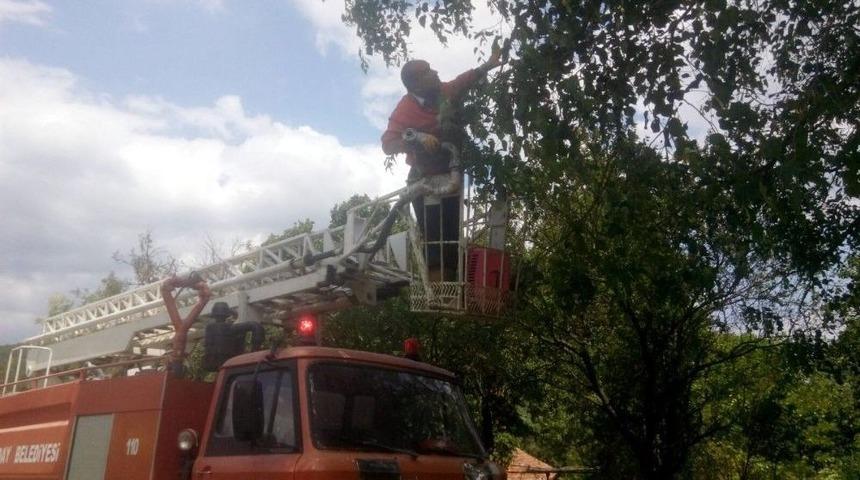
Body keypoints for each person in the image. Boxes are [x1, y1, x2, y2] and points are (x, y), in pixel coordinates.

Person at [381, 49, 504, 283]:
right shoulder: (405, 109)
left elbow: (460, 83)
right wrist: (416, 138)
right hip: (424, 180)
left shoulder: (442, 93)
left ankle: (449, 287)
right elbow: (388, 144)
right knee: (434, 239)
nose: (435, 72)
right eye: (427, 71)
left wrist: (487, 65)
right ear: (415, 84)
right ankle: (437, 287)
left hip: (450, 174)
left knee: (450, 236)